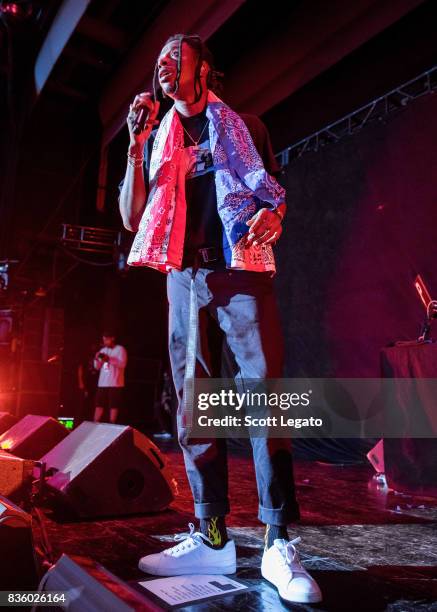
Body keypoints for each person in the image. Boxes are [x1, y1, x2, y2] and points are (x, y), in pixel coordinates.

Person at [119, 34, 322, 604]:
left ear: (203, 68)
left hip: (239, 271)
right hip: (183, 278)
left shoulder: (244, 126)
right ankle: (211, 533)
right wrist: (135, 146)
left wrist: (274, 219)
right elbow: (133, 214)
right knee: (193, 403)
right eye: (157, 59)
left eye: (173, 57)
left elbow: (272, 197)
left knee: (264, 398)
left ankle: (278, 541)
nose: (162, 66)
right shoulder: (158, 137)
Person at [93, 332, 127, 424]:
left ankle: (112, 423)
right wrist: (96, 359)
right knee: (99, 404)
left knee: (113, 405)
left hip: (115, 383)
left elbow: (122, 364)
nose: (104, 341)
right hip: (103, 382)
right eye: (103, 339)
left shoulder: (120, 349)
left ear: (112, 338)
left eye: (106, 339)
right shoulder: (103, 350)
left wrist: (109, 359)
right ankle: (95, 422)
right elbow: (97, 367)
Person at [77, 342, 99, 424]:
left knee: (92, 403)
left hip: (94, 383)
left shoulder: (97, 356)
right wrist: (80, 382)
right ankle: (80, 421)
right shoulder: (85, 356)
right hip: (86, 382)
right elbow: (80, 368)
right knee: (83, 403)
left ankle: (90, 421)